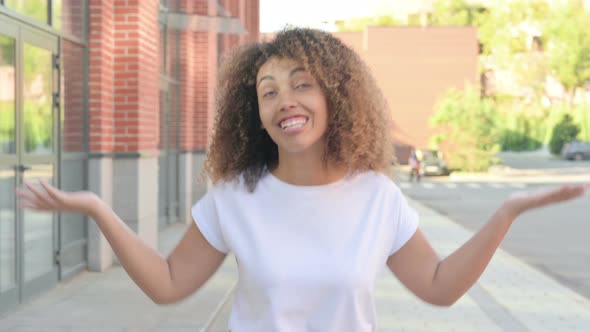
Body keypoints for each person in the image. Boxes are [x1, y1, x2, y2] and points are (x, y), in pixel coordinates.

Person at [16, 28, 589, 331]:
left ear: (335, 95)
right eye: (269, 92)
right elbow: (168, 284)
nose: (285, 101)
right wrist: (96, 207)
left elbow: (438, 287)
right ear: (257, 115)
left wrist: (505, 212)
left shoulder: (376, 196)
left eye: (301, 84)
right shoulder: (234, 198)